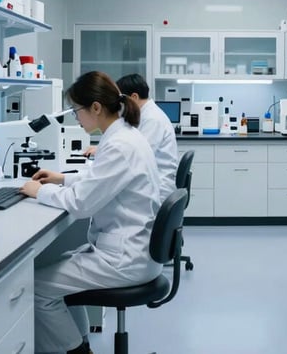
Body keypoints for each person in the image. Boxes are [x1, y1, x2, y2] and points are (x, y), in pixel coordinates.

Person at [21, 71, 162, 354]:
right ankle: (81, 341)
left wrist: (40, 192)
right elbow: (103, 181)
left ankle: (77, 351)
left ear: (96, 107)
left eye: (77, 111)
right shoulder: (124, 135)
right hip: (131, 249)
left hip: (125, 259)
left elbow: (82, 204)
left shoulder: (119, 145)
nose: (76, 118)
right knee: (55, 271)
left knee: (35, 288)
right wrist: (62, 179)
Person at [84, 73, 179, 202]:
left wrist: (104, 151)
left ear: (134, 97)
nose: (118, 104)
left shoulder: (152, 119)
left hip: (158, 189)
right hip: (151, 182)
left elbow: (137, 153)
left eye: (121, 99)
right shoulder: (147, 114)